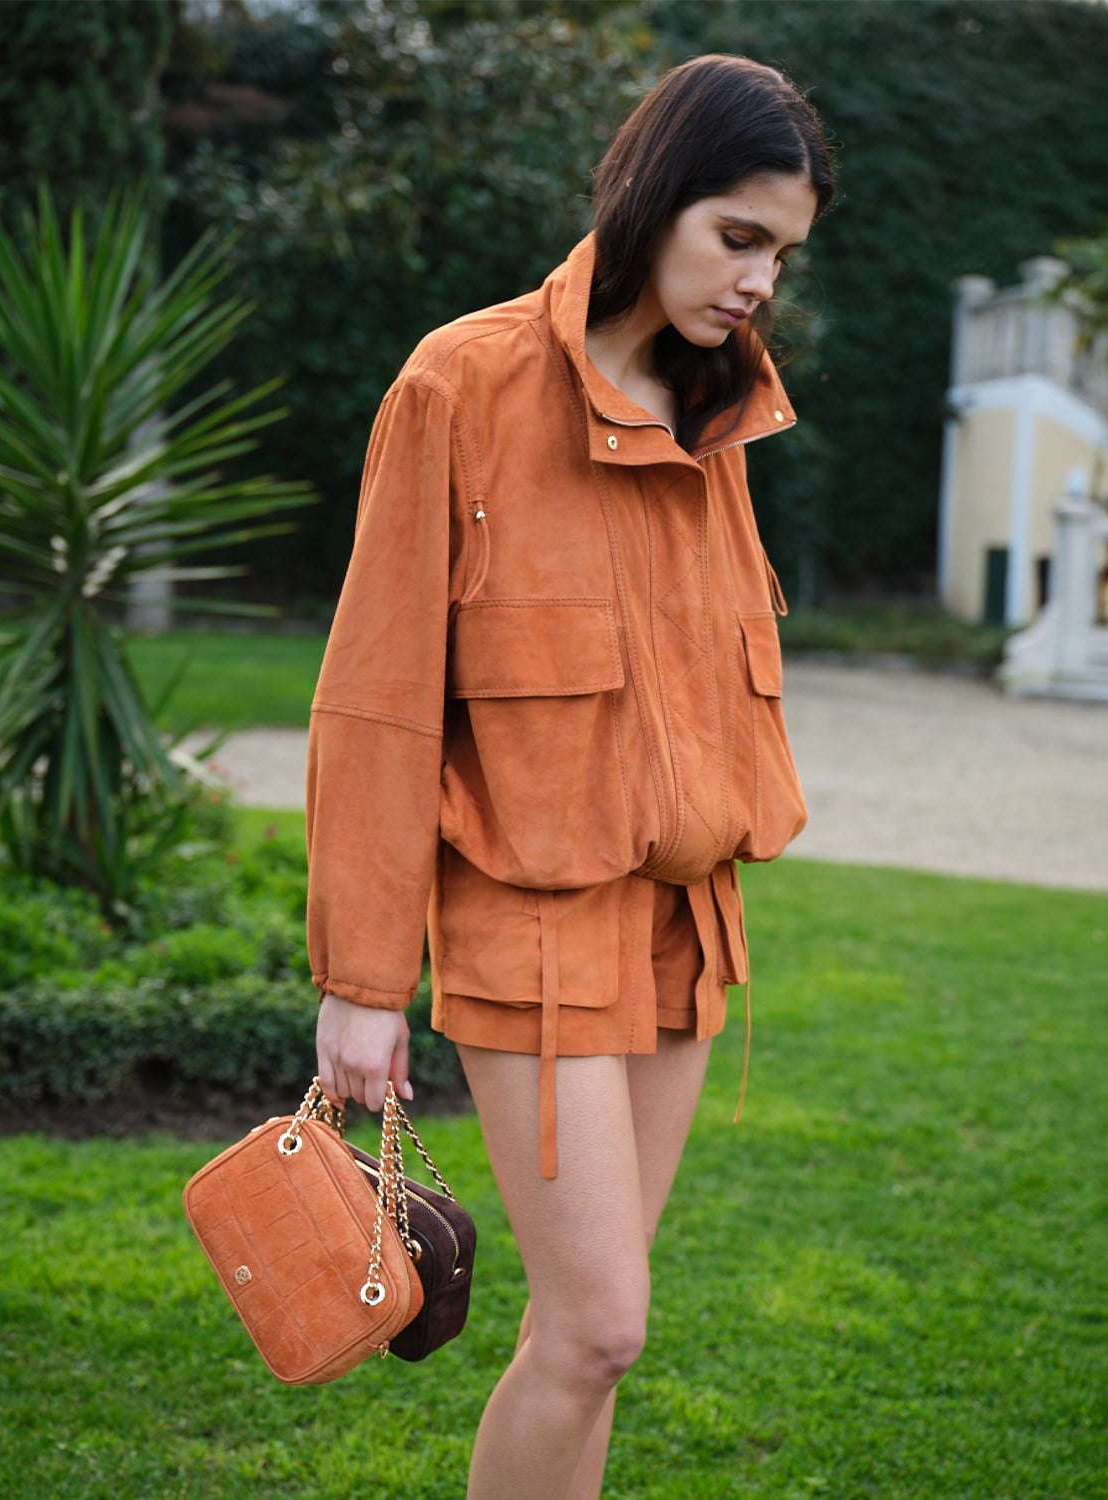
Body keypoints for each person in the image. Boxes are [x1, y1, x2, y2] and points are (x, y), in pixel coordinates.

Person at [306, 53, 835, 1500]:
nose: (758, 283)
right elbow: (375, 701)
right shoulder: (460, 383)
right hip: (528, 916)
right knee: (603, 1326)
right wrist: (362, 981)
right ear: (653, 195)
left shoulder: (719, 409)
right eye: (738, 237)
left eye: (782, 255)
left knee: (581, 1338)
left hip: (681, 920)